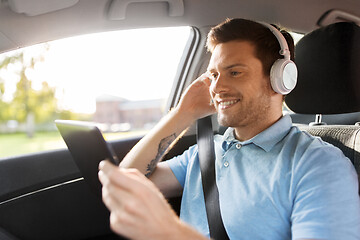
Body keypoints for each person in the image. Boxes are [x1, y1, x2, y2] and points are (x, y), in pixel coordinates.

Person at [98, 18, 360, 239]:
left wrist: (171, 232)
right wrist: (182, 113)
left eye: (234, 72)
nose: (216, 87)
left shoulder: (318, 165)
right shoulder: (206, 151)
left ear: (280, 78)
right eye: (213, 75)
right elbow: (127, 183)